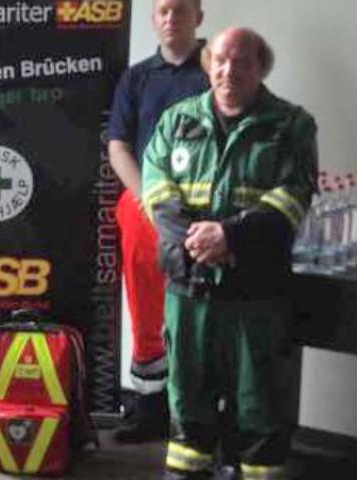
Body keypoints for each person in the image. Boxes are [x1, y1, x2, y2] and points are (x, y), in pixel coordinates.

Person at [142, 28, 318, 480]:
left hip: (255, 292)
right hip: (188, 285)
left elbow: (291, 199)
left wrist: (230, 237)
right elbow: (156, 192)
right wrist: (202, 242)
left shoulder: (292, 125)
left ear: (261, 68)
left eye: (242, 61)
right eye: (220, 59)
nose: (229, 70)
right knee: (187, 396)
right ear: (208, 64)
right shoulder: (176, 121)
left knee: (258, 400)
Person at [107, 0, 209, 443]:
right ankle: (149, 408)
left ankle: (198, 416)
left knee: (202, 314)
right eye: (163, 11)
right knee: (146, 309)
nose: (171, 18)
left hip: (205, 210)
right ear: (153, 19)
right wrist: (149, 200)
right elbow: (118, 146)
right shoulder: (136, 78)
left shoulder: (218, 69)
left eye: (180, 10)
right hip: (145, 207)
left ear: (198, 17)